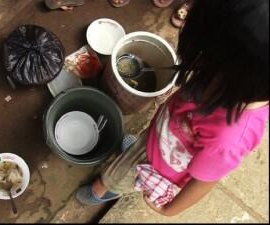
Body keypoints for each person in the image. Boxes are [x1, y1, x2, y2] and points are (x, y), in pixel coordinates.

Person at [76, 0, 269, 217]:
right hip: (162, 134)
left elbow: (205, 181)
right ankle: (137, 148)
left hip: (158, 165)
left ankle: (101, 191)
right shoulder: (232, 76)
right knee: (140, 143)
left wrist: (170, 209)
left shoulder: (228, 140)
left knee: (117, 176)